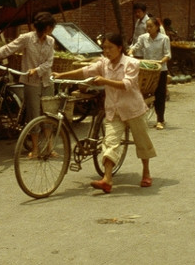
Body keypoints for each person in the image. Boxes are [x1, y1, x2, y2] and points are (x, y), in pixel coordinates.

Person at [56, 32, 155, 192]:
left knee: (142, 141)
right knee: (109, 142)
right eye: (104, 48)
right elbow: (85, 71)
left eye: (110, 48)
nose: (107, 51)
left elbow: (127, 84)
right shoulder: (103, 64)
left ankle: (146, 171)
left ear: (120, 48)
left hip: (133, 109)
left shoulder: (132, 63)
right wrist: (61, 75)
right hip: (113, 110)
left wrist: (104, 81)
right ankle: (107, 179)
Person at [0, 11, 56, 123]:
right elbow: (9, 48)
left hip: (47, 81)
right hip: (31, 82)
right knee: (33, 115)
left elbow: (49, 62)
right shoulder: (27, 38)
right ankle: (33, 139)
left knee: (49, 114)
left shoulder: (50, 41)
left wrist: (36, 70)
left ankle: (50, 141)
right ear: (47, 27)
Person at [130, 16, 171, 129]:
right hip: (146, 70)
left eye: (151, 26)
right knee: (139, 93)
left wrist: (160, 62)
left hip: (160, 70)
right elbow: (136, 47)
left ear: (157, 27)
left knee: (159, 95)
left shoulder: (164, 38)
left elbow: (167, 55)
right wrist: (131, 51)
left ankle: (160, 120)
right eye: (147, 26)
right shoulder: (143, 38)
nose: (148, 28)